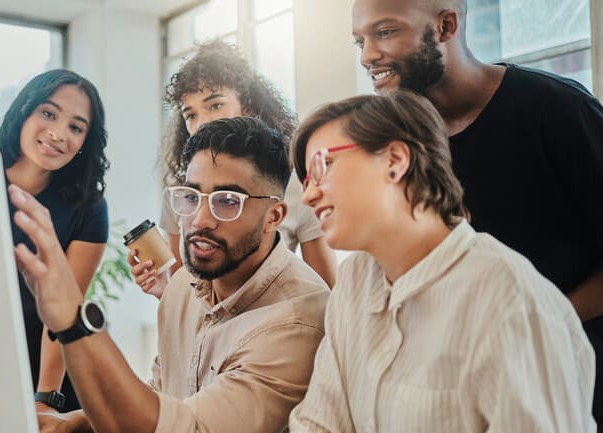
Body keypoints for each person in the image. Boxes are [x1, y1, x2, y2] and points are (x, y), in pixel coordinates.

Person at [351, 0, 603, 422]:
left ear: (446, 26)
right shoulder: (400, 149)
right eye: (360, 40)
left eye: (386, 32)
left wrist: (536, 318)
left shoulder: (557, 110)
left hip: (576, 385)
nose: (367, 56)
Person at [286, 91, 595, 432]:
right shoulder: (354, 282)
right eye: (305, 180)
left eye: (321, 167)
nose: (308, 195)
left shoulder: (509, 298)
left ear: (395, 160)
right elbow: (318, 423)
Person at [12, 117, 329, 433]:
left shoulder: (297, 322)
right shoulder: (182, 287)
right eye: (191, 197)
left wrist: (73, 320)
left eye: (228, 201)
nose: (201, 220)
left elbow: (185, 427)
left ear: (273, 216)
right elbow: (165, 397)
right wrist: (72, 422)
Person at [131, 41, 336, 298]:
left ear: (248, 107)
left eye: (215, 105)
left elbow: (328, 294)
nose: (201, 123)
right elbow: (184, 294)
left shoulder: (294, 186)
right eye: (190, 115)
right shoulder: (179, 194)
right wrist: (163, 290)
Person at [0, 69, 110, 415]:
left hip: (56, 377)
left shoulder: (88, 207)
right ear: (25, 111)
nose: (58, 133)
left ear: (85, 142)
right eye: (49, 113)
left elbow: (63, 311)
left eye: (76, 127)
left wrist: (45, 398)